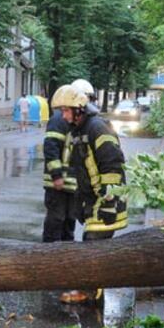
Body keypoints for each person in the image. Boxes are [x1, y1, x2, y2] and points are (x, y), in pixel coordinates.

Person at [51, 84, 127, 303]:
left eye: (66, 110)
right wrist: (80, 205)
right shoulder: (80, 131)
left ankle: (89, 292)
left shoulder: (97, 128)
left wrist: (109, 203)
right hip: (94, 201)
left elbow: (113, 166)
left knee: (92, 246)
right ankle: (91, 291)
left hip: (106, 202)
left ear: (79, 109)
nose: (63, 116)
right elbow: (83, 173)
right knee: (92, 245)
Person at [42, 86, 77, 243]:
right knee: (55, 222)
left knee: (69, 222)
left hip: (72, 185)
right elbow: (51, 148)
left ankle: (66, 258)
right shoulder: (58, 119)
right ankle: (47, 258)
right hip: (57, 184)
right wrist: (56, 175)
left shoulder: (76, 120)